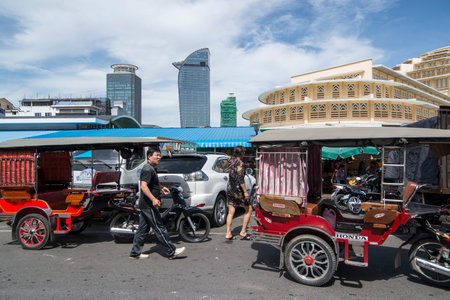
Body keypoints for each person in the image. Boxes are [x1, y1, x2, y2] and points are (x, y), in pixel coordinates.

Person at [129, 147, 185, 260]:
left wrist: (161, 188)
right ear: (149, 156)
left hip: (146, 204)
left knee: (142, 229)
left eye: (160, 155)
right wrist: (153, 199)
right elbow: (143, 186)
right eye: (157, 155)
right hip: (149, 204)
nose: (159, 157)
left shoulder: (151, 168)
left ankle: (135, 253)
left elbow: (152, 184)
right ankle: (171, 251)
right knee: (159, 227)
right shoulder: (147, 169)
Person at [225, 146, 252, 241]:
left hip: (229, 188)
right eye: (244, 152)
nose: (244, 154)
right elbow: (241, 180)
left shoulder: (230, 161)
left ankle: (228, 233)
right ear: (241, 153)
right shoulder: (240, 163)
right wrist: (245, 192)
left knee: (231, 211)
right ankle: (243, 232)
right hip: (237, 189)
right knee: (249, 209)